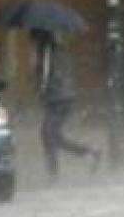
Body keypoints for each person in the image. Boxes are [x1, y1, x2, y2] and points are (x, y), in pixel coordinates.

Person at [32, 30, 101, 182]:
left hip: (58, 97)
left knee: (48, 134)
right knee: (53, 136)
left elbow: (45, 75)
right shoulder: (56, 48)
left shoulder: (47, 50)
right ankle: (90, 153)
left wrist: (40, 90)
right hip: (62, 96)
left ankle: (54, 173)